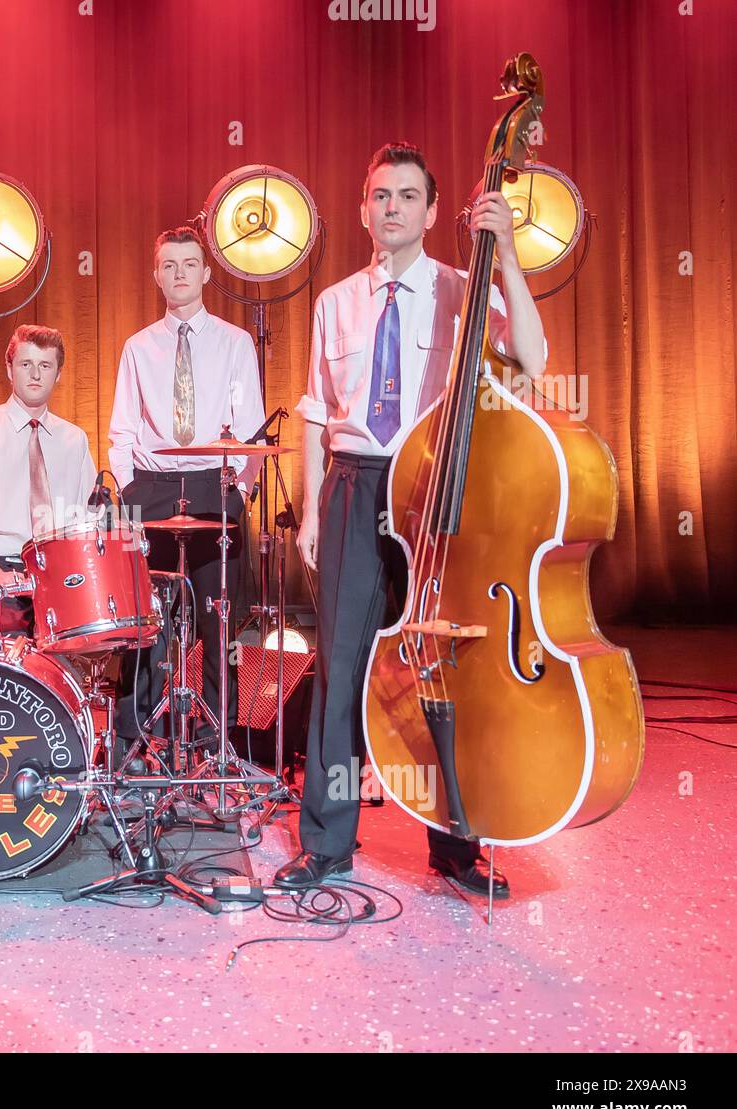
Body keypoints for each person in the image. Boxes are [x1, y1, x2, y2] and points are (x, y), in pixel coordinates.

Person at [274, 142, 547, 897]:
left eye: (406, 196)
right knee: (340, 670)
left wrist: (512, 262)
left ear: (432, 211)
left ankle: (456, 847)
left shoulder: (465, 287)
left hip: (432, 489)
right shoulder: (334, 302)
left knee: (439, 665)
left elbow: (531, 356)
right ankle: (327, 842)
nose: (391, 206)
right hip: (353, 487)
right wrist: (310, 512)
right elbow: (313, 413)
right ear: (365, 210)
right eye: (379, 196)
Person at [107, 226, 265, 738]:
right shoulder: (138, 347)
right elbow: (123, 429)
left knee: (216, 621)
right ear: (157, 275)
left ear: (206, 272)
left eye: (189, 264)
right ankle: (140, 738)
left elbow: (250, 428)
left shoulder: (235, 342)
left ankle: (217, 737)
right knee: (148, 619)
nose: (179, 274)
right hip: (151, 486)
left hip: (210, 484)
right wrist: (131, 492)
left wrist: (239, 491)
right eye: (169, 265)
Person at [0, 324, 96, 637]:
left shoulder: (74, 440)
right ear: (10, 370)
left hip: (60, 570)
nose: (36, 374)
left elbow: (90, 522)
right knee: (16, 659)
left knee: (80, 652)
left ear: (58, 374)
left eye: (45, 366)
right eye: (26, 364)